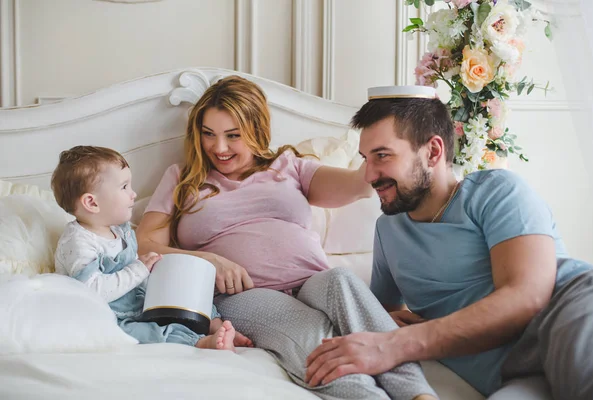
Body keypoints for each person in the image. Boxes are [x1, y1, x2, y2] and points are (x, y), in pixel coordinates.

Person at [136, 76, 437, 400]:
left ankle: (420, 395)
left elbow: (360, 182)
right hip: (247, 293)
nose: (218, 148)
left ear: (256, 130)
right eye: (208, 134)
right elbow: (145, 245)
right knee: (310, 335)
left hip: (314, 279)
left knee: (342, 280)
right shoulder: (182, 179)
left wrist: (391, 148)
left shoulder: (289, 166)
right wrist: (210, 261)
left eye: (233, 136)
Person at [304, 85, 593, 400]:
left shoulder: (497, 191)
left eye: (382, 156)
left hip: (567, 315)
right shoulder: (387, 231)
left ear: (433, 151)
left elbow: (526, 297)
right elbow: (379, 316)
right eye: (366, 159)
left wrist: (396, 343)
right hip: (510, 371)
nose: (369, 176)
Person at [51, 145, 253, 351]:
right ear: (92, 203)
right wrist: (138, 270)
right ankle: (201, 342)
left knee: (184, 291)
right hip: (111, 316)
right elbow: (92, 290)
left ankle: (214, 324)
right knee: (147, 332)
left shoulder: (119, 229)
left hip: (138, 301)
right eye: (124, 187)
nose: (133, 193)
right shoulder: (78, 243)